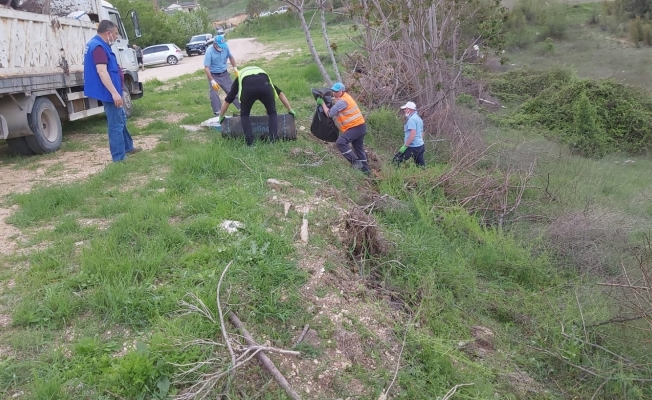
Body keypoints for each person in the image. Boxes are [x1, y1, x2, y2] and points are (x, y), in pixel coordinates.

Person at [84, 20, 141, 162]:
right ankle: (119, 158)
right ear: (108, 33)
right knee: (116, 124)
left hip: (112, 90)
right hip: (109, 93)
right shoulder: (98, 47)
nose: (116, 37)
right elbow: (102, 72)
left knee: (121, 119)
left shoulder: (99, 44)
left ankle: (128, 147)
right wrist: (115, 93)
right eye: (115, 34)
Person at [217, 66, 296, 146]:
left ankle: (250, 142)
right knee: (272, 113)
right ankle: (273, 139)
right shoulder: (264, 76)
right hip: (265, 87)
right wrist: (290, 109)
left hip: (248, 90)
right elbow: (280, 93)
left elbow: (229, 99)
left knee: (244, 115)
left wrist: (221, 116)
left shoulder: (241, 75)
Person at [317, 82, 370, 175]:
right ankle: (366, 171)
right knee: (358, 148)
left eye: (336, 91)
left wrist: (323, 104)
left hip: (355, 127)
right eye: (333, 91)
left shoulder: (343, 101)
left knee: (341, 142)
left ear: (342, 91)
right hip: (360, 127)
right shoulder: (345, 98)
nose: (334, 93)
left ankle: (355, 162)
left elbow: (329, 114)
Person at [204, 35, 240, 115]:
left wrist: (235, 68)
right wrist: (212, 81)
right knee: (214, 95)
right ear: (215, 44)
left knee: (233, 92)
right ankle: (218, 113)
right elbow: (206, 68)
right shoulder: (209, 51)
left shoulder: (225, 47)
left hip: (224, 74)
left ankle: (242, 109)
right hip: (214, 75)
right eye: (220, 46)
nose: (222, 48)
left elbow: (231, 57)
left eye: (222, 46)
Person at [393, 101, 425, 167]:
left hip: (412, 147)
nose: (404, 110)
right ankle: (424, 176)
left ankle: (395, 175)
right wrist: (420, 141)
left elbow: (412, 134)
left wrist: (405, 145)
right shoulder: (418, 118)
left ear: (410, 109)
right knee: (420, 166)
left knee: (396, 159)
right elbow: (422, 132)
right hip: (420, 146)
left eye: (405, 109)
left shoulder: (412, 120)